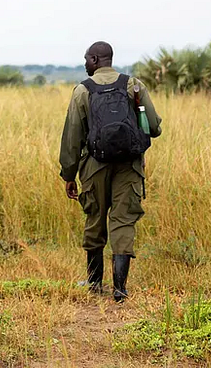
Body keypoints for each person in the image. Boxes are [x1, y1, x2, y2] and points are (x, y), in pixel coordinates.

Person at [59, 41, 162, 302]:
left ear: (95, 59)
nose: (85, 63)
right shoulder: (134, 85)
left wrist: (69, 175)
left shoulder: (82, 90)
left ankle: (94, 283)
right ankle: (119, 289)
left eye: (87, 58)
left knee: (95, 218)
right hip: (129, 165)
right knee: (123, 220)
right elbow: (154, 127)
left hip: (94, 166)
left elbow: (72, 137)